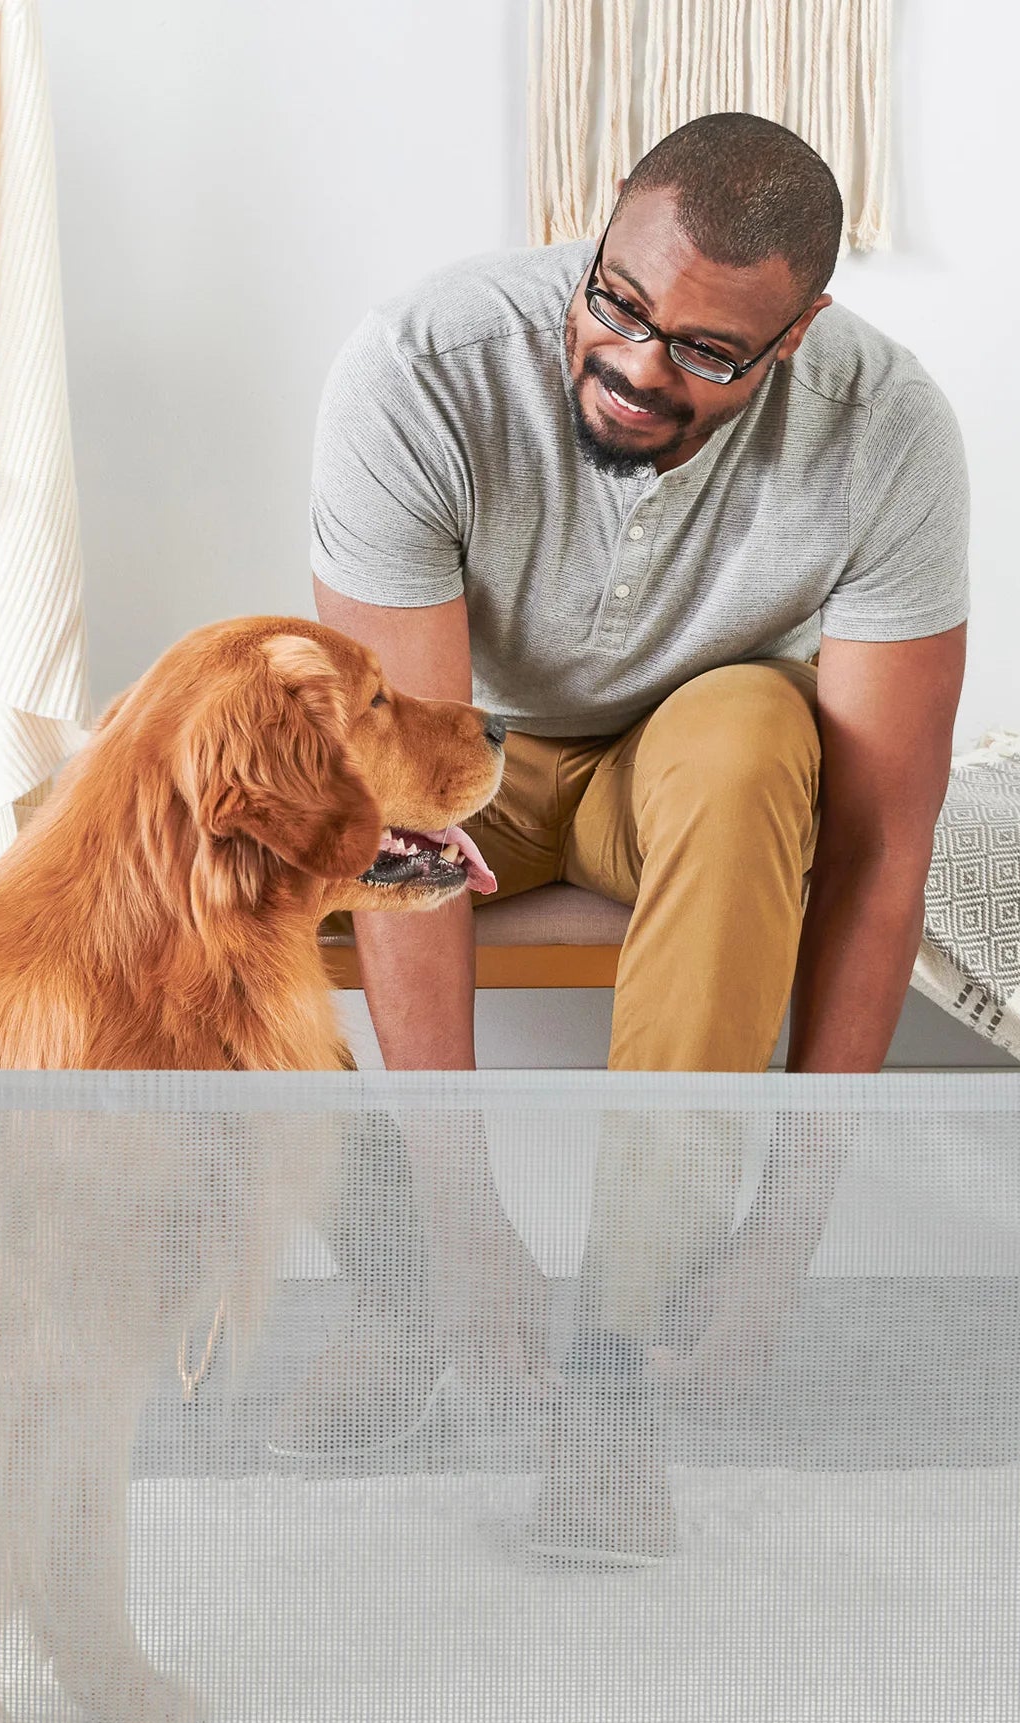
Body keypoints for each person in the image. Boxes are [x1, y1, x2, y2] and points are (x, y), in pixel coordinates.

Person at [278, 113, 969, 1560]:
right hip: (455, 763)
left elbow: (883, 851)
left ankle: (612, 1366)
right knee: (166, 852)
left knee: (756, 737)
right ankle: (412, 1291)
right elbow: (409, 802)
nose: (640, 365)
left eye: (710, 352)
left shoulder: (888, 427)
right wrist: (461, 1218)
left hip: (676, 772)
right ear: (598, 237)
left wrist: (787, 1244)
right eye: (621, 303)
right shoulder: (424, 368)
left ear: (800, 333)